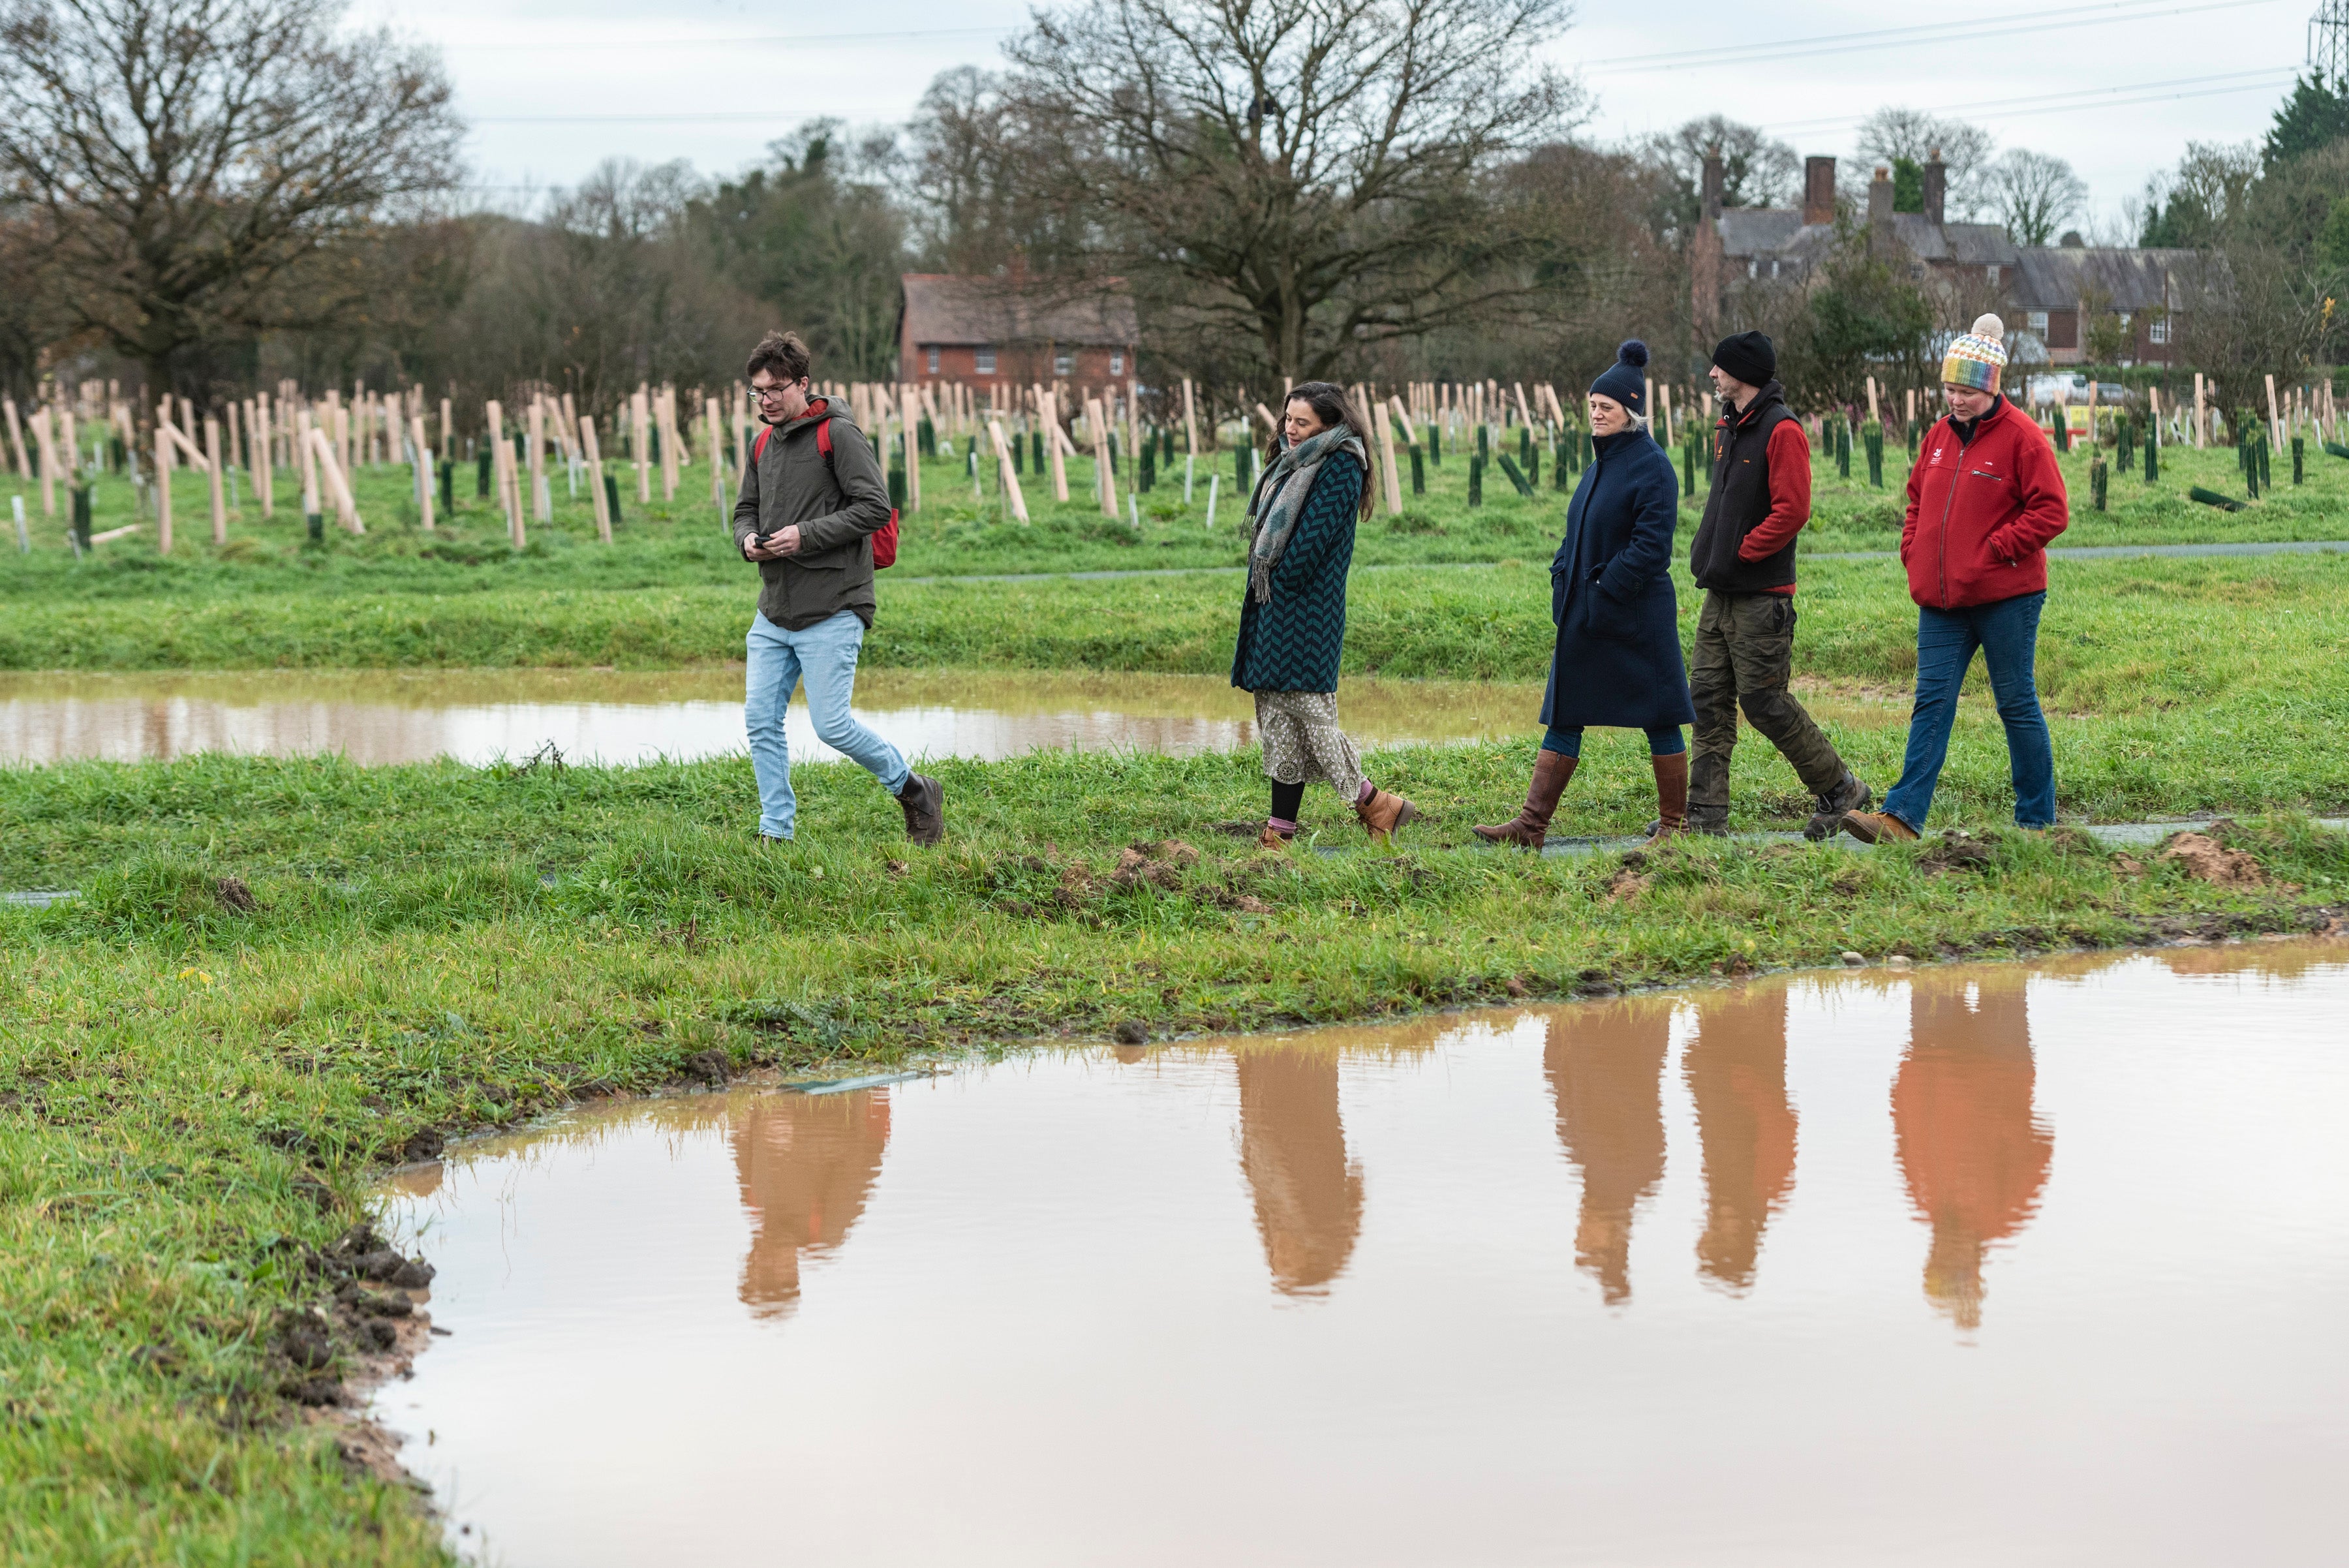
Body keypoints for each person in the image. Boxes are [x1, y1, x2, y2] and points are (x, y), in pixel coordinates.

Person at [1840, 315, 2066, 843]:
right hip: (1941, 601)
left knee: (2015, 703)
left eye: (1966, 390)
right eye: (1949, 388)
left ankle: (2036, 823)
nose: (1955, 399)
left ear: (1990, 387)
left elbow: (2052, 512)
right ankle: (1901, 819)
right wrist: (1913, 549)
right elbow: (1917, 500)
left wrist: (1997, 549)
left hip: (2007, 597)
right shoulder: (1938, 437)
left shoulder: (2024, 439)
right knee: (1931, 702)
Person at [1476, 341, 1695, 848]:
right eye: (1593, 405)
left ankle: (1675, 830)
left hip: (1636, 617)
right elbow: (1576, 534)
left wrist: (1603, 587)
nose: (1596, 414)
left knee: (1660, 715)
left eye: (1607, 407)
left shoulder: (1654, 466)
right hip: (1587, 615)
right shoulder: (1599, 465)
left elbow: (1651, 548)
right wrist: (1562, 576)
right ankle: (1530, 827)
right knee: (1566, 711)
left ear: (1631, 412)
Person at [734, 330, 944, 846]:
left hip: (834, 605)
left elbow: (874, 507)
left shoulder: (839, 435)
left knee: (832, 726)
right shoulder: (761, 442)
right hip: (774, 610)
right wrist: (748, 543)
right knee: (761, 721)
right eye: (757, 392)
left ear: (802, 384)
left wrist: (803, 536)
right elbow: (744, 511)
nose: (766, 400)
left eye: (775, 389)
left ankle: (915, 789)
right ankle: (775, 831)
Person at [1687, 330, 1871, 839]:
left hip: (1762, 597)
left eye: (1719, 368)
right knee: (1706, 699)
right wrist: (1712, 555)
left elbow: (1794, 510)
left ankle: (1841, 790)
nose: (1712, 375)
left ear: (1742, 373)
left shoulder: (1782, 429)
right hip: (1719, 592)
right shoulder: (1729, 428)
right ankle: (1705, 819)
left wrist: (1745, 553)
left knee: (1764, 701)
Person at [1229, 382, 1419, 846]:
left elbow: (1308, 547)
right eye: (1288, 419)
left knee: (1312, 717)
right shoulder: (1296, 461)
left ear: (1331, 425)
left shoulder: (1340, 466)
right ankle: (1281, 831)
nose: (1291, 430)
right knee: (1279, 722)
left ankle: (1377, 803)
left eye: (1303, 422)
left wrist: (1281, 576)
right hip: (1276, 609)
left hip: (1307, 615)